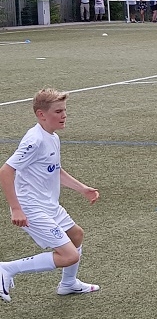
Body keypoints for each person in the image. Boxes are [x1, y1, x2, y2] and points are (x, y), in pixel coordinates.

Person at [0, 88, 101, 303]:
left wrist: (82, 188)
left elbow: (55, 170)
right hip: (31, 207)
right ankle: (6, 269)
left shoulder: (52, 137)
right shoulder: (34, 140)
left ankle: (68, 284)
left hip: (48, 204)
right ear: (41, 114)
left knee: (76, 235)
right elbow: (5, 171)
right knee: (69, 255)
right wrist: (16, 208)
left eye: (64, 110)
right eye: (58, 111)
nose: (64, 115)